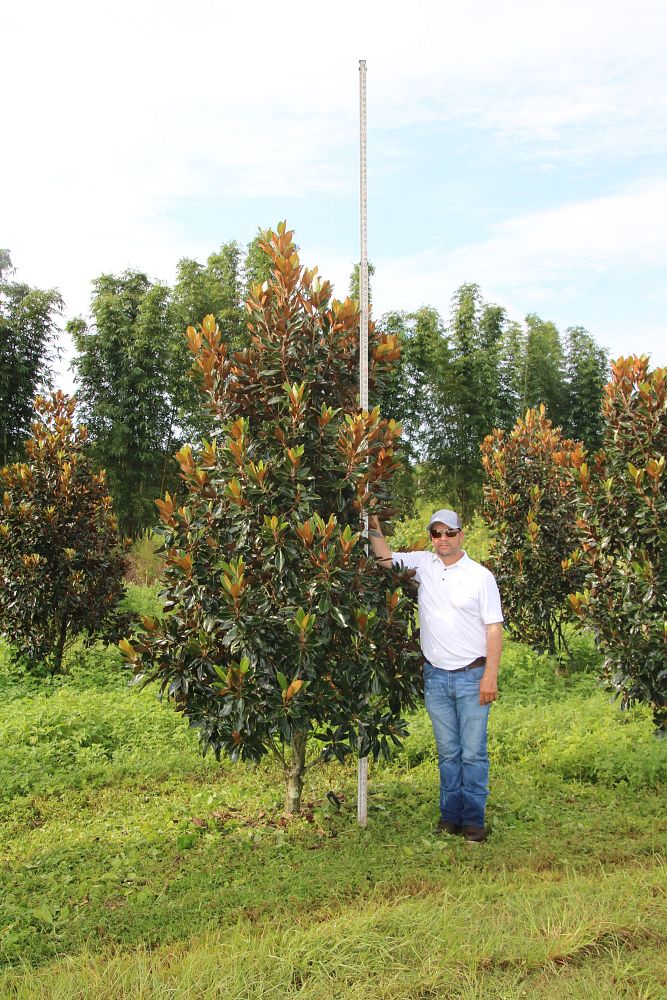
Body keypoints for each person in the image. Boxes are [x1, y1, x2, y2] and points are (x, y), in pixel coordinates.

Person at [367, 508, 503, 843]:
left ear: (461, 534)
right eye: (436, 533)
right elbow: (384, 559)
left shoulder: (480, 577)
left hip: (473, 677)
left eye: (449, 533)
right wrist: (372, 524)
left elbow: (494, 629)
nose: (443, 539)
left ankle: (473, 821)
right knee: (448, 752)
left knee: (472, 753)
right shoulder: (424, 565)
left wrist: (490, 677)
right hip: (436, 678)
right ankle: (450, 817)